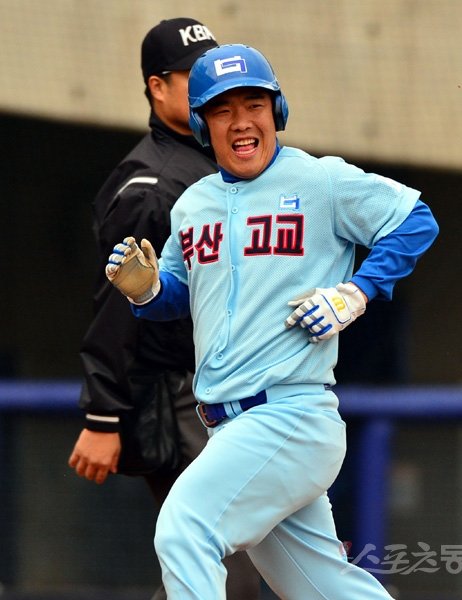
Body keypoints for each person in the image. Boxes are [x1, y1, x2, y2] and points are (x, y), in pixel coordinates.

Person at [105, 44, 439, 599]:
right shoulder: (192, 205)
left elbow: (414, 220)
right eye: (222, 110)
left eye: (253, 104)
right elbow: (179, 296)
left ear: (276, 111)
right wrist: (148, 291)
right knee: (323, 587)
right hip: (228, 427)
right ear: (202, 124)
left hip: (289, 413)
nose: (241, 121)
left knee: (185, 529)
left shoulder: (319, 180)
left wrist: (354, 293)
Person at [68, 23, 260, 600]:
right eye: (191, 74)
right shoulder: (152, 184)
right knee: (226, 570)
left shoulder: (219, 161)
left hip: (231, 387)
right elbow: (119, 300)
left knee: (225, 566)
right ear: (157, 87)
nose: (209, 84)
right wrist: (103, 415)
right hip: (178, 396)